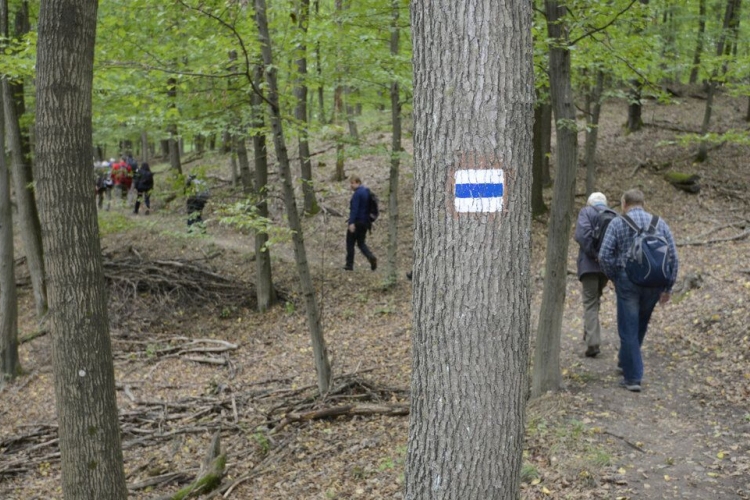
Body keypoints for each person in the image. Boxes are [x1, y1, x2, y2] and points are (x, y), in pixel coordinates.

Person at [598, 189, 679, 392]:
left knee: (628, 327)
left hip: (628, 283)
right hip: (655, 283)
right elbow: (673, 258)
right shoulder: (660, 223)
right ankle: (626, 361)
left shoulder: (618, 222)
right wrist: (668, 287)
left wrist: (614, 276)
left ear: (624, 203)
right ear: (643, 203)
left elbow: (604, 255)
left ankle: (633, 378)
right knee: (640, 325)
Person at [574, 192, 615, 358]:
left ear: (590, 203)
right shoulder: (614, 215)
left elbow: (582, 236)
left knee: (590, 302)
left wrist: (594, 255)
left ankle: (592, 342)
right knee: (595, 299)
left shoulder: (586, 212)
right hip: (606, 268)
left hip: (589, 266)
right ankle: (588, 333)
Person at [344, 175, 377, 271]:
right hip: (366, 222)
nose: (351, 185)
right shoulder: (367, 192)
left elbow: (354, 209)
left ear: (358, 182)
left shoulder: (357, 194)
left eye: (352, 183)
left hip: (357, 221)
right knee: (361, 243)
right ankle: (371, 256)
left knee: (350, 242)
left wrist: (351, 223)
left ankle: (349, 265)